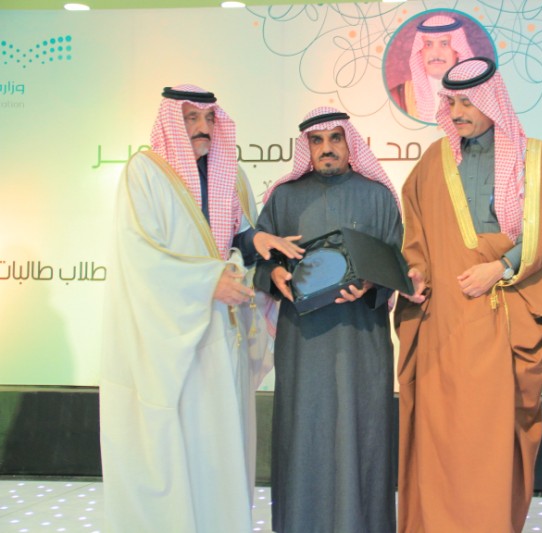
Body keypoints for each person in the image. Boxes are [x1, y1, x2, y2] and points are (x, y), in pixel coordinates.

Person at [99, 84, 303, 532]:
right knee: (180, 448)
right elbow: (139, 256)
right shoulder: (145, 173)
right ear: (173, 122)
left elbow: (232, 236)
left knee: (220, 449)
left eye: (209, 118)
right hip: (172, 341)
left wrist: (257, 241)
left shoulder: (230, 175)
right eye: (191, 118)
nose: (202, 127)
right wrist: (208, 281)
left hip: (223, 335)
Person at [395, 57, 542, 533]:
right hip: (444, 323)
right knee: (442, 434)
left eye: (468, 102)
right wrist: (414, 275)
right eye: (451, 102)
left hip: (502, 317)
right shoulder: (433, 162)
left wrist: (501, 266)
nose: (457, 112)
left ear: (492, 101)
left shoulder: (534, 159)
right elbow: (415, 238)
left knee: (490, 436)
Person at [253, 107, 402, 533]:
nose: (326, 149)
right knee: (305, 432)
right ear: (307, 147)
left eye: (335, 138)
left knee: (362, 433)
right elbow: (261, 261)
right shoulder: (284, 198)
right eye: (316, 141)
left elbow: (397, 261)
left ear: (350, 143)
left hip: (361, 339)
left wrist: (372, 285)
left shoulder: (378, 196)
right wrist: (274, 274)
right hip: (303, 344)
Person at [389, 14, 474, 122]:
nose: (435, 53)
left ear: (457, 51)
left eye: (444, 43)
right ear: (420, 51)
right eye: (428, 44)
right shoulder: (398, 97)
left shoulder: (477, 95)